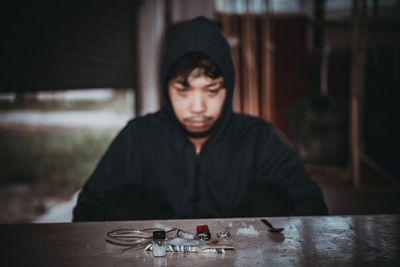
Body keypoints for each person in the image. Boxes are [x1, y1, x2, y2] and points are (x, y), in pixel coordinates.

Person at [73, 17, 327, 222]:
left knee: (273, 199)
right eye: (183, 91)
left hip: (242, 258)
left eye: (212, 90)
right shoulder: (138, 136)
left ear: (229, 88)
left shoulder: (260, 137)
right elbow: (89, 206)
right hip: (156, 258)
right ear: (165, 88)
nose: (197, 107)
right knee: (122, 200)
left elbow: (311, 202)